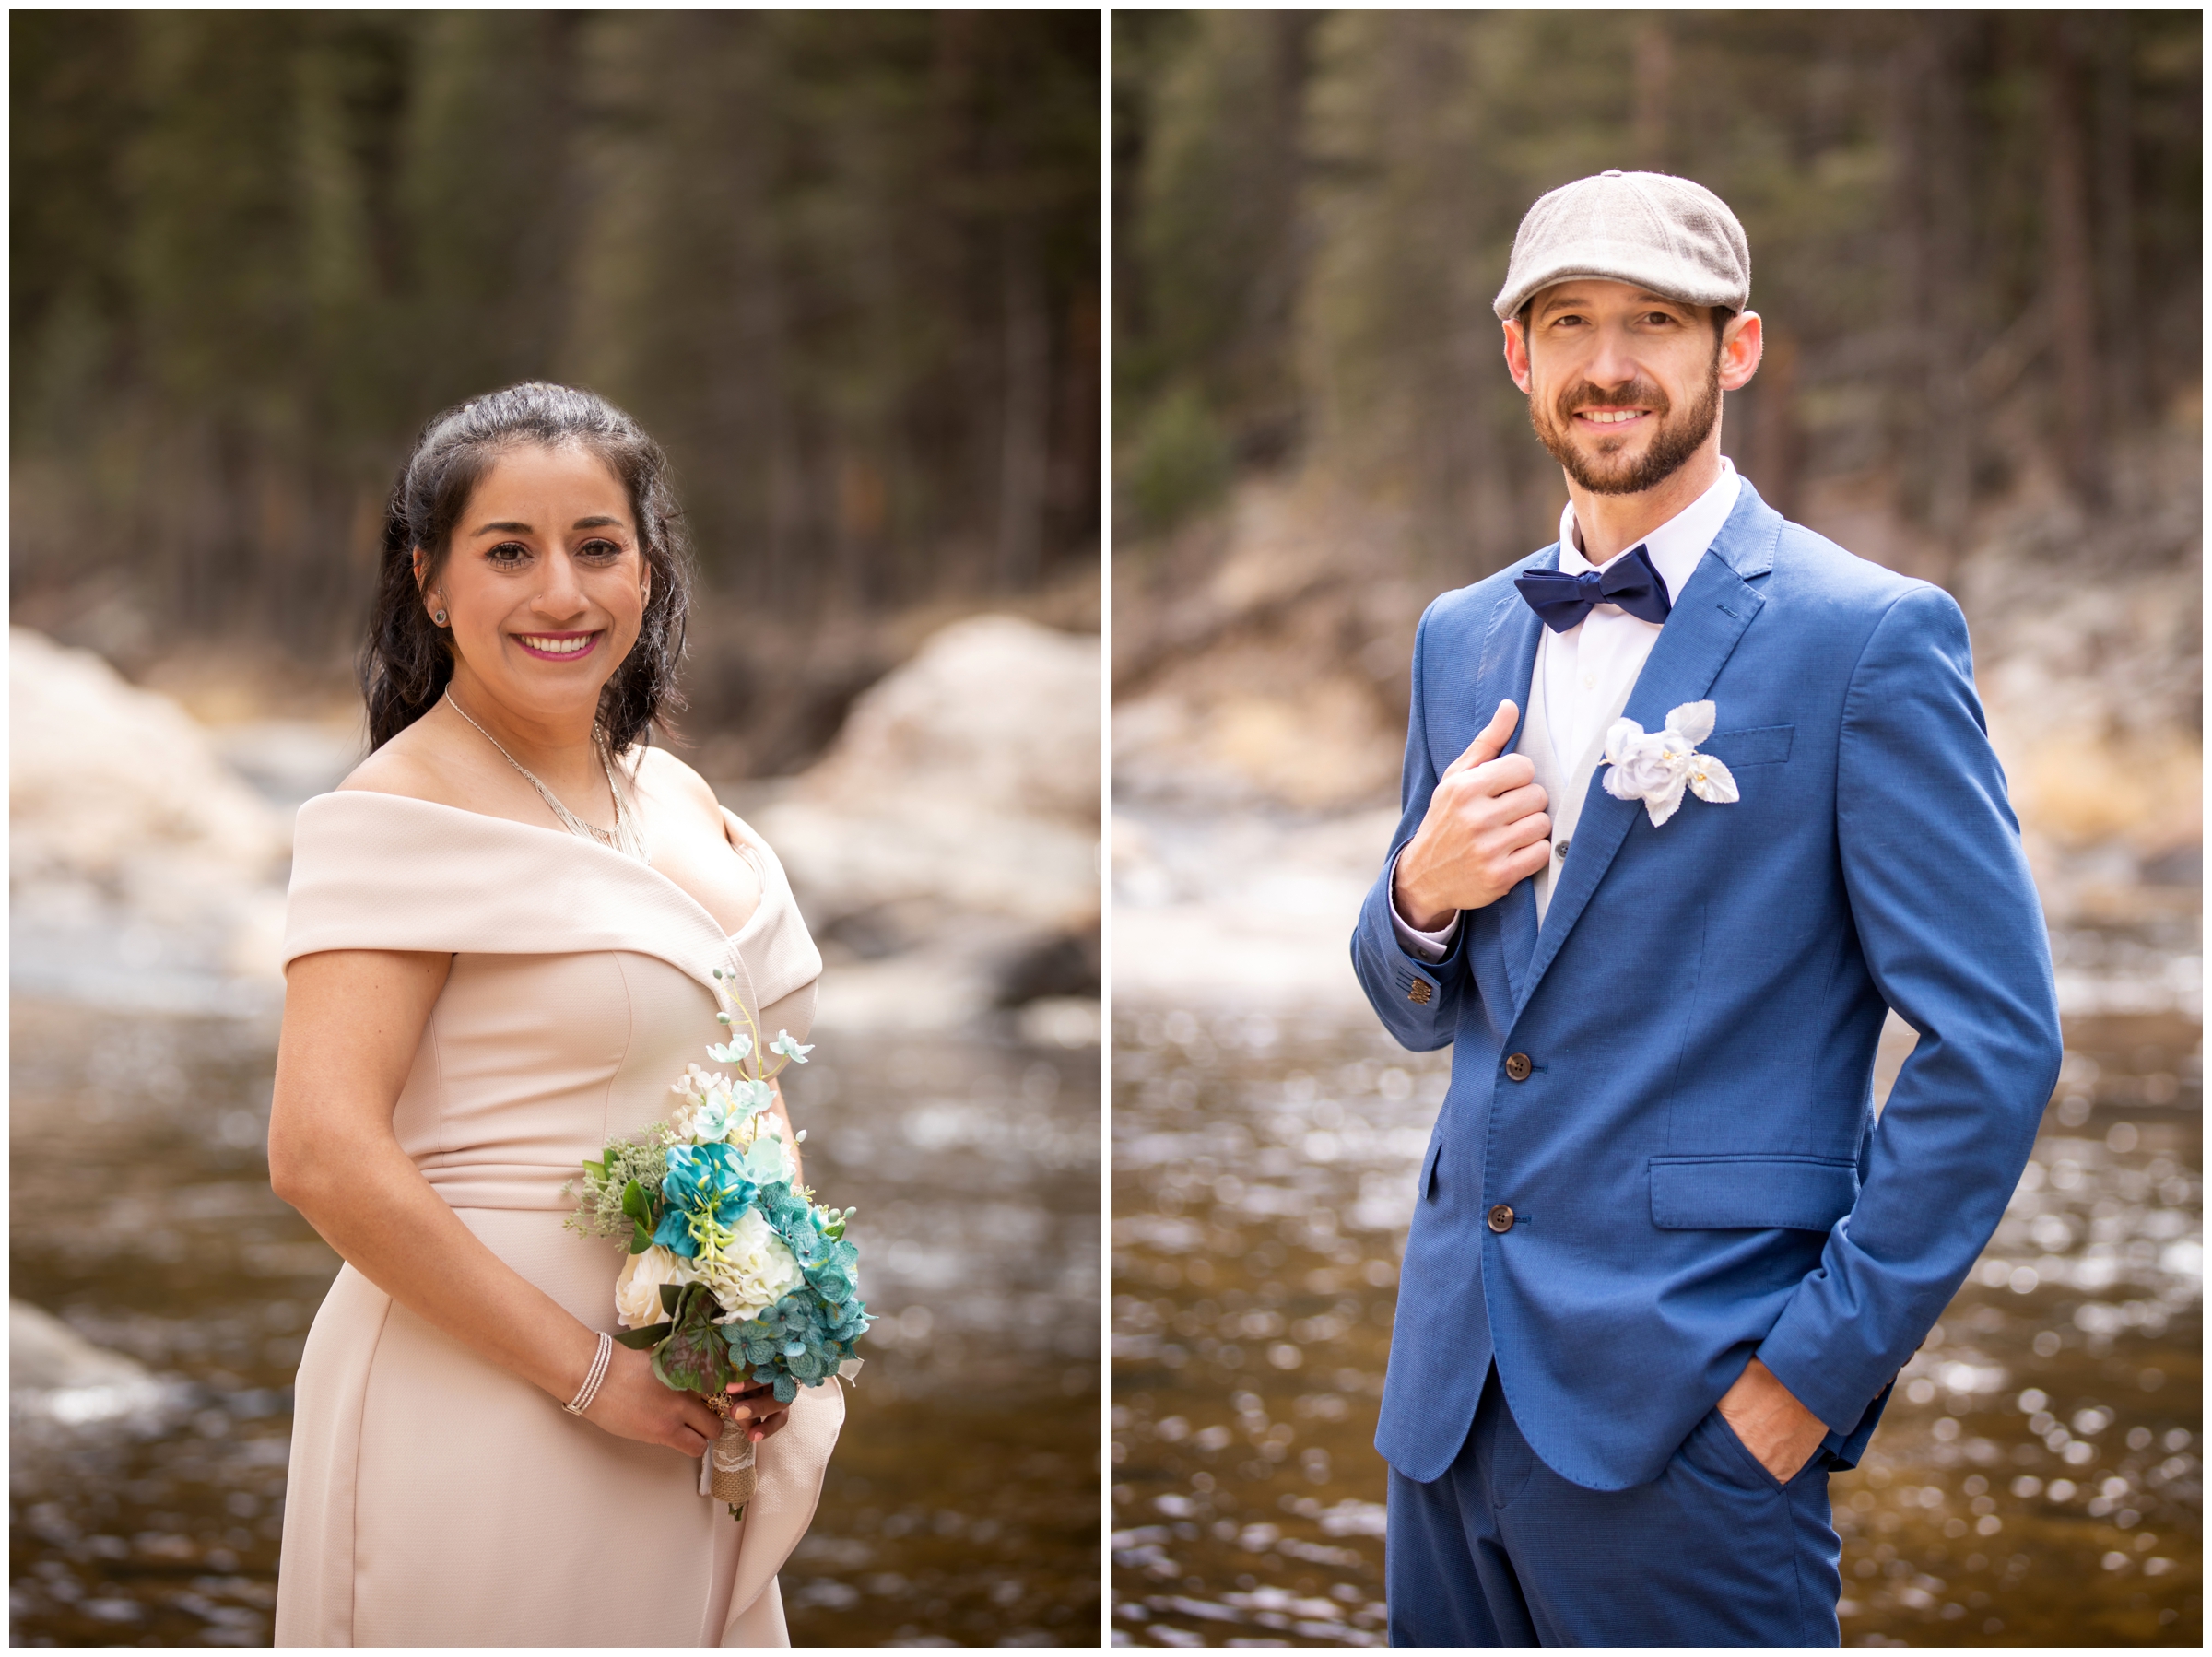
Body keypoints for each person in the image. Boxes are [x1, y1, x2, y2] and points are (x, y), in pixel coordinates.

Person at [1348, 171, 2063, 1645]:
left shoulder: (1868, 640)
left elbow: (1997, 1044)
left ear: (1735, 351)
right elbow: (1426, 1007)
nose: (1609, 362)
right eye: (1570, 322)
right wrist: (1418, 892)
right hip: (1446, 1404)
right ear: (1518, 357)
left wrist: (1804, 1385)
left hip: (1696, 1421)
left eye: (1654, 322)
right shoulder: (1458, 634)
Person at [268, 382, 841, 1645]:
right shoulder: (400, 814)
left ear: (649, 568)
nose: (563, 595)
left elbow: (743, 1076)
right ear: (428, 579)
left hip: (683, 1394)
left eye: (597, 547)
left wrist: (781, 1310)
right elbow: (320, 1152)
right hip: (476, 1400)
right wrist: (593, 1377)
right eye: (509, 552)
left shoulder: (678, 796)